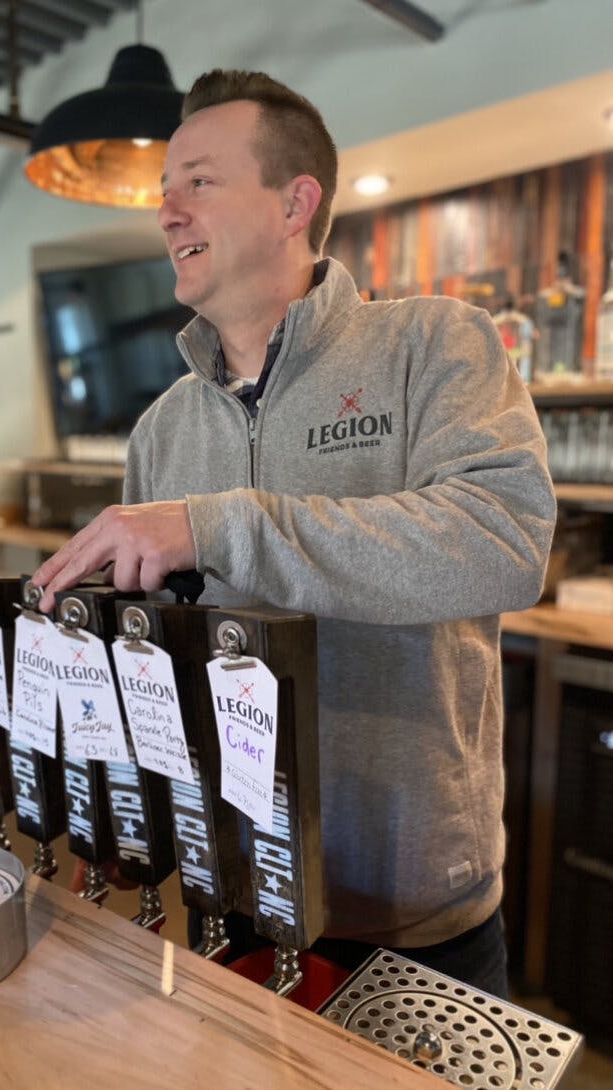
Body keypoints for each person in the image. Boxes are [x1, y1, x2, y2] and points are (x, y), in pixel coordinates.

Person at [33, 69, 556, 997]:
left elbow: (503, 540)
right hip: (232, 890)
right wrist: (126, 804)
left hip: (411, 917)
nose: (166, 211)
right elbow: (155, 657)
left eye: (197, 179)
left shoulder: (435, 345)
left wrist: (221, 527)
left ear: (293, 203)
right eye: (164, 189)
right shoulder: (163, 428)